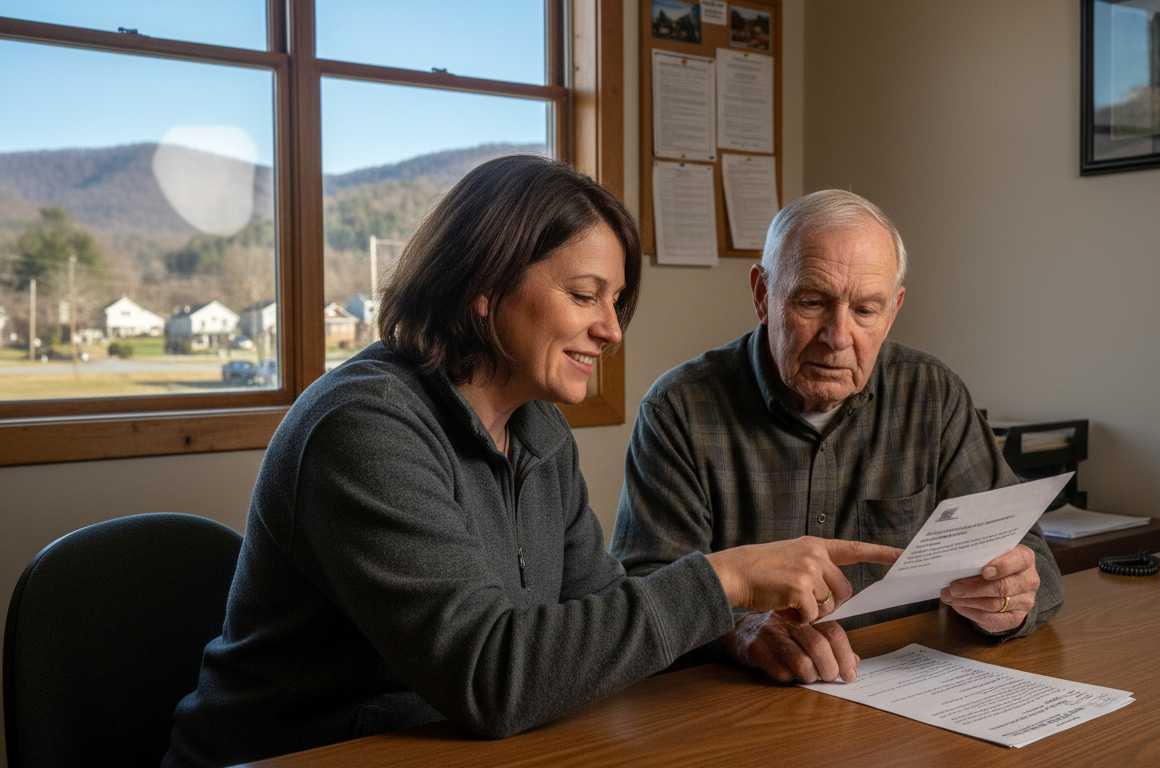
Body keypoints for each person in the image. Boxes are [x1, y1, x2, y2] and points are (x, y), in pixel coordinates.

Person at [162, 158, 898, 767]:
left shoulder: (537, 428)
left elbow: (600, 618)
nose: (611, 330)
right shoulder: (363, 428)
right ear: (484, 289)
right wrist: (725, 578)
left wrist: (737, 627)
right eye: (584, 295)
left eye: (615, 301)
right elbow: (493, 678)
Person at [611, 189, 1064, 686]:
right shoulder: (680, 409)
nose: (838, 336)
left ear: (893, 311)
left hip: (903, 688)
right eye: (812, 302)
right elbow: (643, 596)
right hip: (740, 702)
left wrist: (1009, 600)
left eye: (866, 310)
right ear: (763, 295)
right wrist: (737, 630)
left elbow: (1031, 558)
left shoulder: (931, 395)